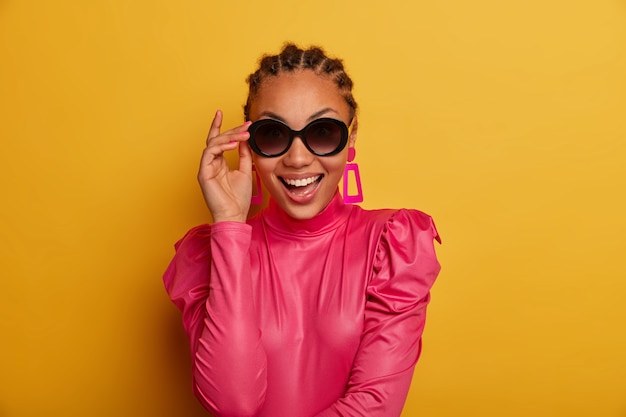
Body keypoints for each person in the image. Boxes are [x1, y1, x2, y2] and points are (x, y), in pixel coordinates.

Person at [163, 43, 441, 417]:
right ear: (249, 140)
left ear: (352, 135)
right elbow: (233, 403)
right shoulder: (208, 256)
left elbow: (375, 406)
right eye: (274, 135)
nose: (297, 159)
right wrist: (229, 222)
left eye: (323, 132)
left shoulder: (393, 244)